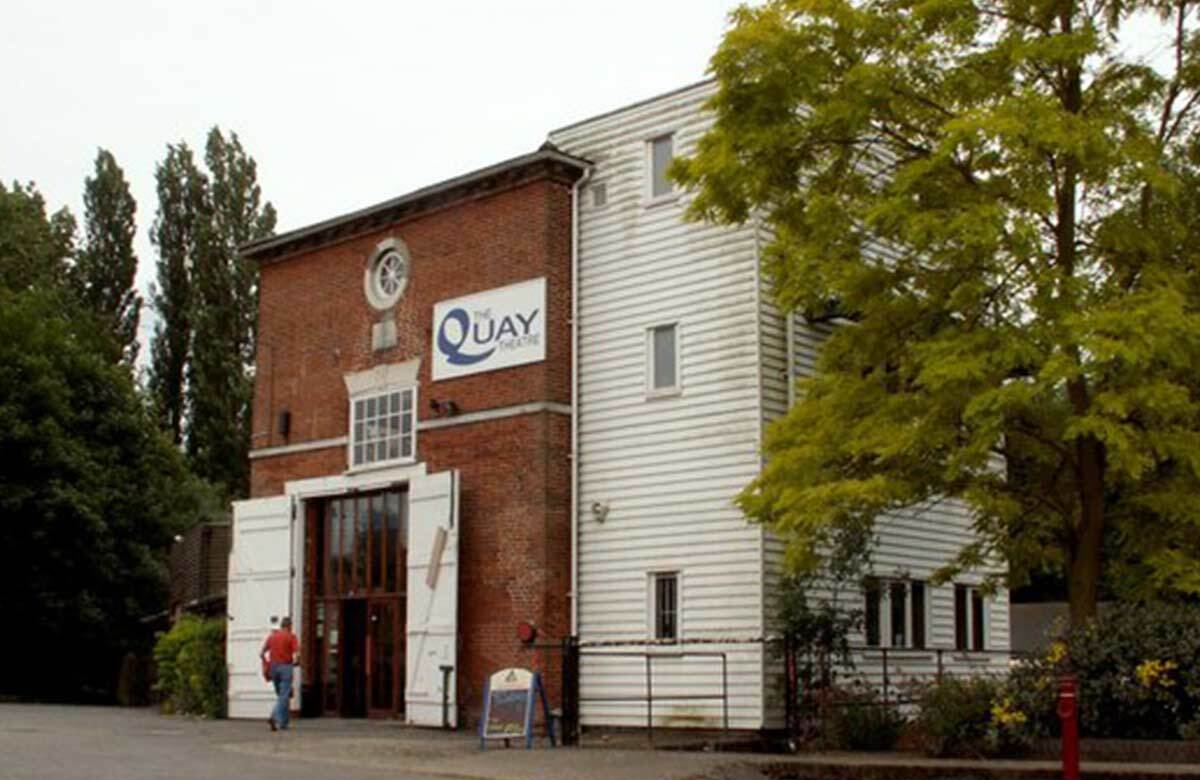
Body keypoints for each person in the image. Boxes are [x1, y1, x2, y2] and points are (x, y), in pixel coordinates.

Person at [260, 617, 300, 731]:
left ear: (281, 625)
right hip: (286, 667)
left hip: (273, 667)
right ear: (289, 626)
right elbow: (296, 653)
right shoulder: (291, 637)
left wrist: (266, 663)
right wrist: (297, 661)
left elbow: (262, 652)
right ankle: (274, 716)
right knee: (284, 695)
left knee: (282, 695)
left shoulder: (272, 637)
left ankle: (284, 723)